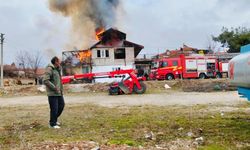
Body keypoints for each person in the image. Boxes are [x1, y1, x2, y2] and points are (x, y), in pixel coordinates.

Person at [43, 56, 65, 129]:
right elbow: (45, 80)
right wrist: (54, 88)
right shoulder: (49, 69)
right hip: (52, 93)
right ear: (55, 61)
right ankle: (52, 124)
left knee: (61, 105)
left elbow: (59, 81)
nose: (60, 62)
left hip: (59, 92)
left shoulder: (57, 69)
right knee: (54, 108)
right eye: (59, 61)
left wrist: (60, 90)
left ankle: (54, 120)